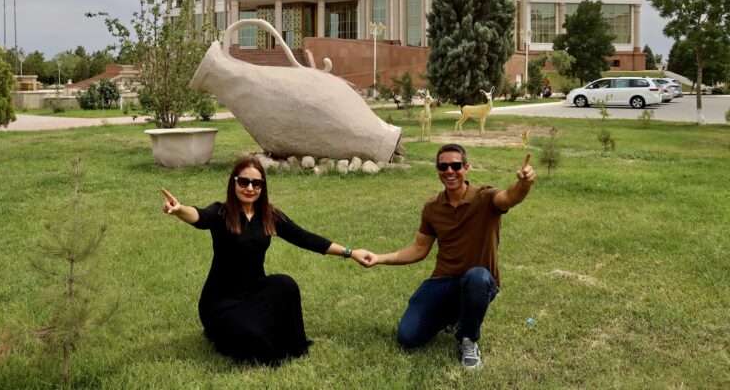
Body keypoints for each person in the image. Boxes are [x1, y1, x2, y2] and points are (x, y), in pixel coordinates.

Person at [160, 156, 369, 365]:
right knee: (251, 339)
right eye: (243, 182)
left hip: (253, 293)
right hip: (220, 301)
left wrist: (350, 252)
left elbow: (305, 238)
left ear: (262, 187)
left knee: (285, 284)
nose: (250, 188)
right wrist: (179, 209)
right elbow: (199, 216)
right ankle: (228, 329)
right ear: (234, 182)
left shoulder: (269, 215)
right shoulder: (221, 212)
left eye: (256, 183)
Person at [359, 144, 535, 369]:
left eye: (456, 165)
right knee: (408, 337)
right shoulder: (433, 207)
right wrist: (379, 258)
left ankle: (468, 338)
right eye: (443, 166)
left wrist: (524, 184)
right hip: (443, 280)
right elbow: (418, 249)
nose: (449, 171)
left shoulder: (486, 198)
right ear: (437, 169)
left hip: (478, 282)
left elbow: (510, 197)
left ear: (466, 167)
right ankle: (454, 315)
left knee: (477, 277)